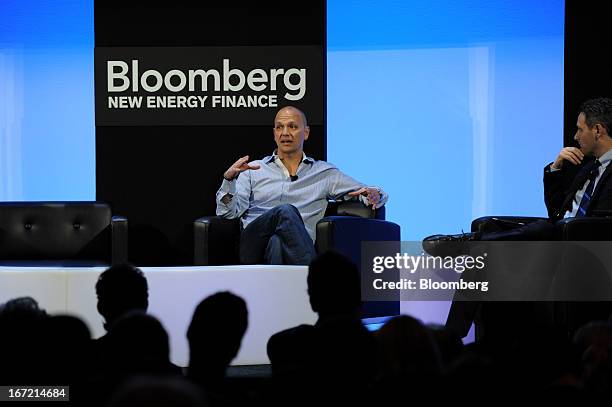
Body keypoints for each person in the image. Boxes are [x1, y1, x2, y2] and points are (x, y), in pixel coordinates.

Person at [423, 98, 612, 338]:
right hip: (555, 242)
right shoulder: (587, 168)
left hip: (582, 252)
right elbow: (557, 212)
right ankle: (451, 336)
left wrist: (560, 229)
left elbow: (598, 225)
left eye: (580, 129)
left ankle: (473, 243)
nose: (575, 136)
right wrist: (555, 168)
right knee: (491, 238)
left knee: (542, 229)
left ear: (598, 130)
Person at [216, 106, 388, 265]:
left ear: (305, 133)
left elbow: (366, 192)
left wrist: (375, 194)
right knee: (285, 211)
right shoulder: (253, 169)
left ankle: (282, 293)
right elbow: (228, 213)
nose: (285, 133)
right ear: (274, 133)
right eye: (279, 127)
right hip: (253, 246)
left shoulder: (324, 173)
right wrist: (228, 180)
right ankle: (313, 277)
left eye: (292, 126)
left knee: (277, 243)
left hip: (291, 249)